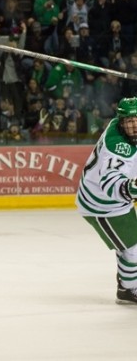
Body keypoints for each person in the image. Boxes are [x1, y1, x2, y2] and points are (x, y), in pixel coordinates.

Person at [76, 97, 137, 304]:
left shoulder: (119, 125)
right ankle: (129, 288)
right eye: (129, 121)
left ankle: (128, 281)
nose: (134, 125)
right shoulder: (118, 147)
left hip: (115, 202)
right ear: (121, 121)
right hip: (103, 205)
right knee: (133, 246)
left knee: (129, 244)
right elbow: (111, 184)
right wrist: (132, 187)